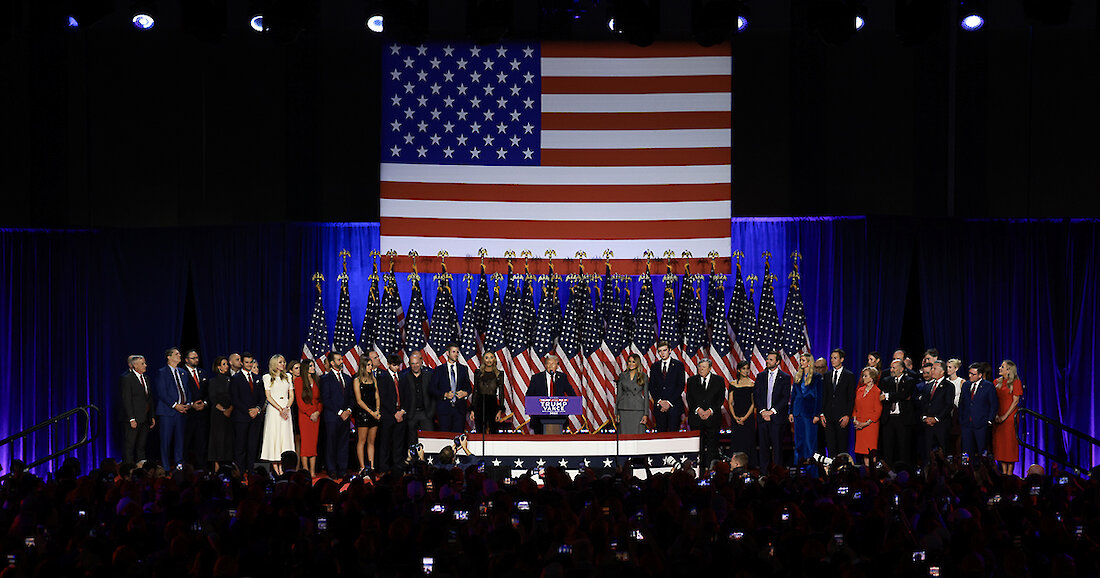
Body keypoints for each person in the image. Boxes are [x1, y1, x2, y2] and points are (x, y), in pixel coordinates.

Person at [154, 347, 190, 468]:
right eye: (176, 354)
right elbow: (161, 392)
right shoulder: (162, 372)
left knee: (180, 440)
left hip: (182, 412)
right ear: (169, 357)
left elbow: (186, 390)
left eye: (179, 354)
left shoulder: (183, 372)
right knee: (166, 441)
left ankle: (179, 464)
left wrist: (188, 404)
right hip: (167, 412)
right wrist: (175, 405)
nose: (179, 355)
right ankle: (166, 467)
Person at [754, 351, 790, 472]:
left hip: (777, 418)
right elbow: (757, 395)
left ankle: (777, 473)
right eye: (767, 359)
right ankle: (763, 473)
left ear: (777, 362)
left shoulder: (785, 377)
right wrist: (763, 411)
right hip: (762, 418)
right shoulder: (761, 376)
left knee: (777, 448)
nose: (767, 361)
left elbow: (785, 398)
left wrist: (772, 411)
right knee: (763, 447)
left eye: (770, 359)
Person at [686, 359, 725, 471]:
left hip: (712, 419)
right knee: (698, 446)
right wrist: (698, 410)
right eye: (699, 367)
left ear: (710, 368)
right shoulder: (691, 381)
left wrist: (710, 411)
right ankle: (699, 469)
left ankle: (710, 469)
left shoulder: (719, 380)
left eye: (704, 367)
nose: (701, 369)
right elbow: (690, 398)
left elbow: (720, 399)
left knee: (712, 446)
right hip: (696, 419)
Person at [260, 354, 295, 476]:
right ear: (274, 364)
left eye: (284, 362)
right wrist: (280, 409)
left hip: (286, 410)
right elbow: (268, 396)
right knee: (274, 436)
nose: (283, 364)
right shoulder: (267, 377)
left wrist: (287, 408)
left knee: (284, 437)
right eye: (280, 362)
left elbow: (291, 396)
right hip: (274, 411)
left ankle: (283, 465)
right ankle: (276, 468)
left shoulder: (288, 377)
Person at [319, 352, 353, 478]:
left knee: (343, 443)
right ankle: (331, 469)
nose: (342, 361)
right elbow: (326, 399)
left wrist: (348, 410)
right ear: (332, 363)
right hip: (332, 417)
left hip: (345, 417)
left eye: (342, 359)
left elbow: (351, 397)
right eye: (339, 359)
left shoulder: (347, 378)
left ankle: (342, 469)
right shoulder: (325, 379)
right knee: (331, 443)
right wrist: (340, 412)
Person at [229, 352, 265, 472]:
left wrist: (257, 409)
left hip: (255, 419)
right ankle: (239, 473)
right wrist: (248, 411)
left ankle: (251, 472)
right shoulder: (235, 378)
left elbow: (262, 397)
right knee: (240, 447)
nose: (249, 364)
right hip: (241, 418)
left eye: (251, 362)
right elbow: (235, 399)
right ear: (242, 363)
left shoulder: (258, 378)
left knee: (252, 446)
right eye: (247, 362)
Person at [878, 359, 916, 466]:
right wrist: (895, 395)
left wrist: (888, 396)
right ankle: (888, 471)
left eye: (894, 368)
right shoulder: (886, 381)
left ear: (902, 369)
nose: (891, 370)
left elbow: (905, 394)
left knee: (903, 448)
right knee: (888, 448)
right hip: (888, 419)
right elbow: (884, 397)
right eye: (891, 367)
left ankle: (904, 473)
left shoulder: (909, 380)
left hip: (903, 419)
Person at [119, 354, 155, 465]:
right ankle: (129, 468)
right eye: (142, 364)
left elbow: (149, 398)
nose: (145, 365)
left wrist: (152, 416)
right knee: (130, 445)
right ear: (135, 365)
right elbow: (127, 400)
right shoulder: (127, 379)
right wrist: (131, 418)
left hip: (145, 417)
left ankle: (142, 468)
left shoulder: (146, 378)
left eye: (145, 363)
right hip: (134, 418)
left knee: (142, 445)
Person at [378, 353, 411, 472]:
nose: (396, 367)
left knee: (398, 443)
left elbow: (407, 397)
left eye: (398, 365)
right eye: (394, 365)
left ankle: (397, 468)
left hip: (401, 416)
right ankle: (384, 468)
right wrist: (394, 413)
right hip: (388, 416)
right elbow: (383, 398)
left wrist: (402, 412)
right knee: (385, 443)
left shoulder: (403, 377)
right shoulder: (382, 377)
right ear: (388, 364)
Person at [527, 355, 576, 434]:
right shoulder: (536, 378)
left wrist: (566, 410)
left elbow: (572, 394)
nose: (550, 366)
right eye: (548, 363)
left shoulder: (562, 377)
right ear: (545, 365)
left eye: (553, 364)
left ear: (557, 366)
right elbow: (529, 395)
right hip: (540, 418)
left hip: (559, 417)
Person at [820, 348, 855, 458]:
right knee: (830, 446)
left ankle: (842, 471)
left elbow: (851, 398)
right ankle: (831, 472)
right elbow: (824, 396)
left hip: (842, 417)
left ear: (842, 359)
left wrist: (847, 415)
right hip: (828, 417)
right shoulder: (827, 375)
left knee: (842, 447)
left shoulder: (849, 375)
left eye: (835, 358)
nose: (832, 360)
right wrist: (822, 414)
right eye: (831, 358)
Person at [429, 344, 472, 433]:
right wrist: (444, 394)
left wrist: (465, 393)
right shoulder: (439, 370)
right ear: (447, 353)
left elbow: (469, 388)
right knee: (445, 438)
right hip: (444, 410)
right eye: (453, 352)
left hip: (459, 410)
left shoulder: (463, 369)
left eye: (457, 352)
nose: (456, 354)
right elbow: (432, 388)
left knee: (458, 437)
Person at [789, 352, 821, 466]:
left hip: (810, 413)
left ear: (809, 362)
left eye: (803, 360)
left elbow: (819, 397)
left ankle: (811, 469)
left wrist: (817, 414)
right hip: (798, 413)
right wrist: (791, 412)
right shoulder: (798, 376)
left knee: (809, 442)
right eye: (800, 360)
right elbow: (793, 396)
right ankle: (798, 467)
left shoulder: (817, 377)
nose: (801, 362)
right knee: (799, 442)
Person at [959, 362, 997, 458]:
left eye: (973, 374)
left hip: (981, 425)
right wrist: (961, 419)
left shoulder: (988, 386)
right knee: (966, 452)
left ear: (980, 375)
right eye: (969, 373)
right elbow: (961, 404)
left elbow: (993, 405)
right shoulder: (966, 385)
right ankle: (966, 470)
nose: (969, 376)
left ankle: (982, 470)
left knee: (982, 452)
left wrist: (988, 421)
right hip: (966, 425)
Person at [993, 359, 1024, 475]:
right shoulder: (996, 382)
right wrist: (996, 415)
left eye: (1002, 367)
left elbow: (1015, 401)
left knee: (1009, 445)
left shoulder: (1016, 382)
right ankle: (1003, 472)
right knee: (1000, 446)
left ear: (1009, 370)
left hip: (1010, 418)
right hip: (998, 416)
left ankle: (1010, 474)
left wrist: (1004, 416)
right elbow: (993, 400)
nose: (999, 368)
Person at [292, 359, 322, 478]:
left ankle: (313, 471)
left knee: (313, 443)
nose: (313, 367)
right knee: (305, 443)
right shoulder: (299, 381)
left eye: (313, 366)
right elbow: (300, 401)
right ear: (305, 368)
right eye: (311, 366)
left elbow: (320, 400)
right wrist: (311, 413)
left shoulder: (317, 380)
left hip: (316, 416)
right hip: (305, 416)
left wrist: (318, 412)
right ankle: (305, 469)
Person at [919, 360, 955, 461]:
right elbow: (923, 405)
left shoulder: (949, 386)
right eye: (932, 369)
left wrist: (936, 418)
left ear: (942, 372)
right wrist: (925, 417)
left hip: (941, 426)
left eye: (934, 369)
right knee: (928, 454)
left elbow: (948, 406)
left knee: (943, 453)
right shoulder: (928, 387)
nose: (932, 371)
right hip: (928, 426)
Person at [648, 340, 686, 432]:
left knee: (673, 436)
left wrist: (668, 402)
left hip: (674, 407)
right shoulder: (654, 366)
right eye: (660, 351)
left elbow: (680, 386)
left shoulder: (678, 365)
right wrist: (660, 401)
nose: (662, 353)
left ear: (670, 350)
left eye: (664, 350)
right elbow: (652, 387)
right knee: (661, 436)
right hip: (659, 408)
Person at [352, 358, 382, 472]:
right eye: (368, 365)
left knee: (371, 441)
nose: (371, 367)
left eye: (371, 365)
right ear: (363, 366)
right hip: (363, 413)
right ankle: (362, 467)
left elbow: (377, 396)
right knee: (362, 440)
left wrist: (377, 410)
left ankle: (372, 466)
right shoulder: (357, 380)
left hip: (374, 413)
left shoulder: (373, 379)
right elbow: (359, 400)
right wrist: (371, 412)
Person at [181, 349, 210, 467]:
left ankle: (202, 468)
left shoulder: (203, 373)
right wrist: (191, 403)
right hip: (188, 414)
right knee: (186, 442)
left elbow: (208, 391)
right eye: (193, 358)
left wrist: (205, 403)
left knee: (201, 442)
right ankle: (185, 468)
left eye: (197, 357)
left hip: (202, 414)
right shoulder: (181, 373)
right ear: (186, 360)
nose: (196, 360)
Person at [206, 356, 234, 471]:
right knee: (217, 439)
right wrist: (223, 410)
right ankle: (217, 468)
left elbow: (234, 396)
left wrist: (230, 409)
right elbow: (213, 398)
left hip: (230, 414)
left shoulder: (232, 380)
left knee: (228, 439)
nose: (227, 366)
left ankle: (229, 468)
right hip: (217, 415)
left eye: (227, 364)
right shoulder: (213, 381)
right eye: (224, 364)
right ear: (218, 367)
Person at [402, 352, 435, 446]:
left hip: (426, 413)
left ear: (421, 363)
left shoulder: (429, 376)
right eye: (413, 363)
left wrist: (431, 412)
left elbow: (433, 395)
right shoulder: (404, 377)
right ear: (409, 364)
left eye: (417, 363)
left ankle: (427, 460)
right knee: (411, 441)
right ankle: (413, 460)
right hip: (411, 414)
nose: (415, 366)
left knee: (429, 440)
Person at [852, 367, 882, 466]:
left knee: (871, 451)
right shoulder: (860, 390)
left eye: (865, 376)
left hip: (870, 425)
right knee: (863, 451)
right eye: (863, 375)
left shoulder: (877, 391)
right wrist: (855, 420)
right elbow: (855, 407)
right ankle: (867, 472)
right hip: (859, 424)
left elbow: (877, 411)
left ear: (872, 378)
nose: (863, 378)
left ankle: (872, 473)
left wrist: (865, 424)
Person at [472, 351, 507, 434]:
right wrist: (472, 409)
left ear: (494, 359)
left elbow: (501, 393)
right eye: (486, 358)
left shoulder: (499, 374)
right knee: (480, 431)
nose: (489, 360)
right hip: (479, 404)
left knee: (493, 431)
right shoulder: (478, 373)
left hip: (492, 404)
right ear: (483, 359)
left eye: (491, 357)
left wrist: (499, 411)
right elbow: (475, 391)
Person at [727, 361, 756, 458]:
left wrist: (745, 418)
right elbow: (730, 402)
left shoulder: (752, 384)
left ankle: (750, 464)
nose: (746, 371)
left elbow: (753, 403)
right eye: (743, 368)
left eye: (747, 368)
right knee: (737, 440)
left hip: (748, 417)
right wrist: (735, 417)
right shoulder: (733, 384)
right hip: (736, 415)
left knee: (748, 440)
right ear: (739, 370)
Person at [615, 353, 648, 435]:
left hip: (638, 409)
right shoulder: (622, 375)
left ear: (637, 363)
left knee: (638, 435)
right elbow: (619, 394)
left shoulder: (643, 376)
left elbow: (646, 396)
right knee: (624, 435)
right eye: (629, 361)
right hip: (624, 409)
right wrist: (617, 413)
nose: (631, 364)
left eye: (633, 362)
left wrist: (645, 414)